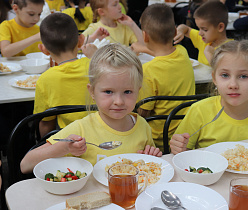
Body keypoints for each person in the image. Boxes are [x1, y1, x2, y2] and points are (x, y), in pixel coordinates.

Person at [20, 43, 162, 174]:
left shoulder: (143, 126)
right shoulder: (81, 129)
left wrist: (152, 158)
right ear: (92, 92)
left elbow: (147, 167)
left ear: (138, 90)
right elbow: (25, 164)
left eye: (127, 92)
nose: (118, 101)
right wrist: (64, 148)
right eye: (108, 92)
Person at [170, 40, 248, 154]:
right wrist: (179, 148)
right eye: (225, 75)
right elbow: (182, 155)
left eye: (243, 76)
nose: (233, 85)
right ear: (214, 78)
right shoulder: (199, 111)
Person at [34, 13, 109, 138]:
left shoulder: (45, 79)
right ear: (80, 41)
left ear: (44, 50)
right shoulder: (98, 66)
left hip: (70, 139)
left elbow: (46, 122)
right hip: (105, 134)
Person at [131, 4, 196, 151]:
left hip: (158, 139)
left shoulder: (148, 70)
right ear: (174, 31)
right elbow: (166, 54)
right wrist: (144, 48)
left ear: (145, 36)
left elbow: (143, 113)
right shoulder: (182, 52)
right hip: (183, 131)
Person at [174, 1, 232, 66]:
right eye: (199, 28)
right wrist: (180, 31)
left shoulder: (231, 49)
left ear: (220, 27)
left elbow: (223, 72)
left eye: (205, 29)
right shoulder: (203, 39)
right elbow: (185, 28)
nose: (200, 33)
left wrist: (209, 54)